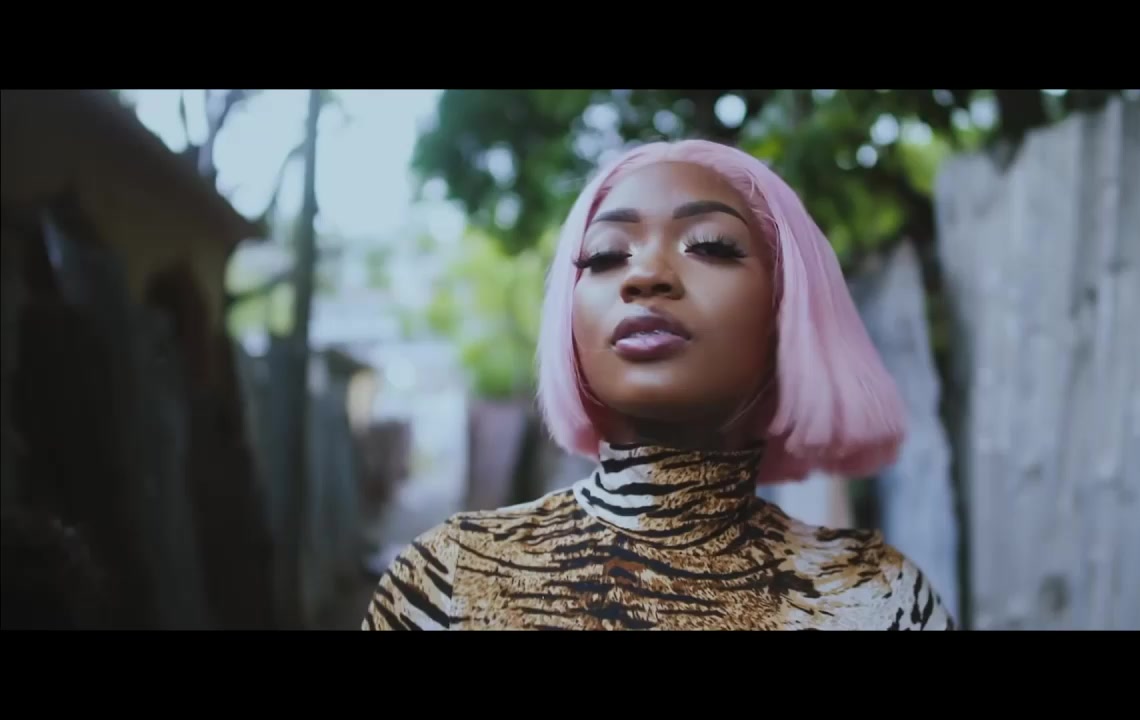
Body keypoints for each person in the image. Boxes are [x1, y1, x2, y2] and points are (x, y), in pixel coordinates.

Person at [362, 138, 954, 630]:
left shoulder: (880, 597)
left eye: (711, 245)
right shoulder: (451, 578)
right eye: (604, 256)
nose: (645, 274)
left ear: (785, 309)